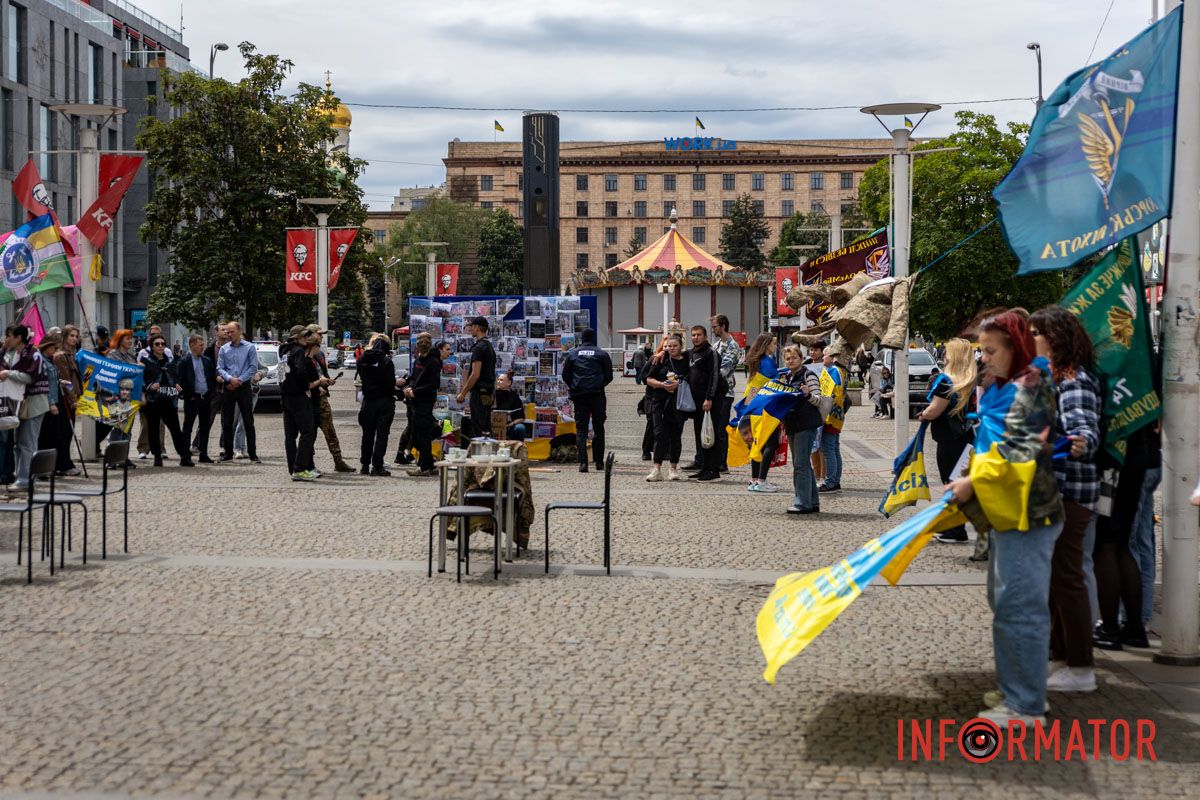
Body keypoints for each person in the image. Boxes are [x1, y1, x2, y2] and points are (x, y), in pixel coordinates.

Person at [947, 310, 1064, 723]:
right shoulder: (1001, 383)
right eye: (981, 350)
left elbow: (1019, 449)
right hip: (1006, 509)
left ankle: (1027, 704)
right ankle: (1014, 690)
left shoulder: (1032, 384)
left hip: (1028, 512)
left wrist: (971, 484)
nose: (984, 358)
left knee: (1021, 606)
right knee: (1004, 602)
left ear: (1016, 347)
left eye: (992, 350)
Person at [1027, 305, 1102, 692]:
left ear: (1053, 339)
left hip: (1072, 490)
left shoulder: (1073, 379)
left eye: (1035, 333)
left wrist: (1066, 443)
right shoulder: (1056, 376)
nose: (1030, 339)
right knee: (1057, 576)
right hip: (1059, 488)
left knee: (1068, 576)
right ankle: (1061, 658)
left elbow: (1085, 433)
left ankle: (1081, 666)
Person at [1093, 424, 1152, 651]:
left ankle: (1110, 628)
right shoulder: (1142, 386)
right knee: (1122, 544)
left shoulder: (1109, 387)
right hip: (1137, 455)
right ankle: (1135, 628)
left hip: (1112, 462)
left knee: (1106, 545)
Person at [918, 338, 977, 544]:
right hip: (966, 437)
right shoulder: (971, 379)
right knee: (957, 480)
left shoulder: (946, 381)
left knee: (949, 482)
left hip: (949, 439)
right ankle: (955, 526)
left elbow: (935, 410)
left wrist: (923, 414)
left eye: (947, 352)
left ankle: (955, 529)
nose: (944, 355)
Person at [779, 344, 825, 514]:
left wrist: (808, 394)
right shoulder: (788, 377)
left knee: (800, 465)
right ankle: (812, 501)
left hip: (805, 424)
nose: (791, 361)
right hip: (793, 424)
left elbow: (820, 399)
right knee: (804, 464)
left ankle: (802, 502)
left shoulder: (808, 375)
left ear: (800, 358)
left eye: (794, 358)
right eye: (788, 358)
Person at [561, 327, 613, 473]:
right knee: (599, 427)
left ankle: (583, 463)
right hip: (597, 395)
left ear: (582, 338)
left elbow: (566, 375)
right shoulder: (602, 354)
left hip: (580, 396)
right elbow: (609, 376)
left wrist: (575, 386)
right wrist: (599, 384)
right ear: (594, 338)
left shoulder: (573, 354)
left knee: (581, 429)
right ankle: (599, 463)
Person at [140, 334, 195, 467]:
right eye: (157, 344)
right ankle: (157, 457)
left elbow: (175, 377)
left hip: (168, 401)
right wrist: (149, 386)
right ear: (152, 346)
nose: (160, 346)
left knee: (175, 429)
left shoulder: (169, 362)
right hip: (153, 401)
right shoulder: (145, 361)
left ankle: (184, 456)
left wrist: (176, 384)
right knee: (153, 430)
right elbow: (140, 380)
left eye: (162, 344)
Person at [681, 325, 725, 482]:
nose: (695, 337)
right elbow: (674, 353)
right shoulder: (692, 353)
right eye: (693, 335)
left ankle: (713, 470)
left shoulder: (710, 352)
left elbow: (714, 377)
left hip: (710, 401)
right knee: (701, 435)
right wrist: (660, 352)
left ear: (705, 336)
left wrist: (709, 398)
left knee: (710, 434)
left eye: (699, 334)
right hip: (696, 402)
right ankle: (703, 467)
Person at [308, 325, 355, 473]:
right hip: (310, 399)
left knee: (330, 431)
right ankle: (309, 462)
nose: (321, 337)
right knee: (310, 433)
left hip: (322, 399)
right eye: (319, 334)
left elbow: (323, 373)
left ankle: (338, 461)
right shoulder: (304, 353)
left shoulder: (320, 354)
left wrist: (328, 381)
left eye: (322, 335)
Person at [278, 326, 322, 481]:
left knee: (290, 435)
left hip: (286, 396)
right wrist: (306, 388)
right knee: (307, 432)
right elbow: (300, 371)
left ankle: (293, 468)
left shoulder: (283, 351)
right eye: (303, 336)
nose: (306, 338)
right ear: (295, 338)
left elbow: (282, 372)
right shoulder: (298, 352)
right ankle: (300, 468)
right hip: (298, 397)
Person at [643, 333, 689, 481]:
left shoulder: (687, 361)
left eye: (675, 346)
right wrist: (662, 385)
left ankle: (673, 469)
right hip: (660, 402)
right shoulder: (660, 359)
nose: (672, 348)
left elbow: (690, 380)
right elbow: (648, 379)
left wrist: (679, 384)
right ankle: (656, 469)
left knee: (676, 436)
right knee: (659, 434)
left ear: (681, 346)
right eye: (669, 346)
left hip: (678, 403)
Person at [217, 321, 260, 463]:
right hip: (228, 388)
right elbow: (220, 368)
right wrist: (230, 379)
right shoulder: (224, 349)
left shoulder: (249, 347)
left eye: (231, 332)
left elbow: (253, 367)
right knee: (227, 422)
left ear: (239, 331)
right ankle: (228, 453)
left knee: (248, 421)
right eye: (227, 332)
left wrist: (239, 380)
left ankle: (253, 454)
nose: (229, 334)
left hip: (243, 387)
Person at [744, 333, 781, 492]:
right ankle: (761, 480)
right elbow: (776, 384)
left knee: (758, 444)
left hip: (755, 406)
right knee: (770, 444)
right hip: (768, 407)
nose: (775, 346)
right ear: (766, 345)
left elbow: (752, 388)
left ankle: (754, 479)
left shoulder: (756, 362)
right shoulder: (768, 363)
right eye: (773, 343)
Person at [357, 334, 398, 476]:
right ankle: (377, 465)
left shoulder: (362, 359)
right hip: (384, 401)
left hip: (368, 401)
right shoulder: (386, 361)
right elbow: (389, 384)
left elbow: (361, 377)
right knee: (382, 434)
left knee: (367, 435)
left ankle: (364, 465)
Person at [405, 335, 443, 477]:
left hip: (425, 401)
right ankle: (429, 464)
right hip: (415, 400)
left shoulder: (433, 362)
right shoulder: (418, 360)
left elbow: (434, 384)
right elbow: (414, 378)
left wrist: (415, 391)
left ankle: (424, 466)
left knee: (422, 435)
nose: (419, 347)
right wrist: (409, 387)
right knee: (417, 434)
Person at [709, 314, 742, 473]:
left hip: (724, 393)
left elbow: (724, 369)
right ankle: (711, 459)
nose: (713, 329)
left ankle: (722, 463)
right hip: (714, 391)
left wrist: (707, 376)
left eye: (715, 326)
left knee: (721, 429)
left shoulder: (732, 346)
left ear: (723, 326)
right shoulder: (716, 345)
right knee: (713, 427)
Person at [178, 333, 217, 463]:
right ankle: (185, 456)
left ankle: (203, 454)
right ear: (192, 345)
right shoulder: (184, 361)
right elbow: (181, 380)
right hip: (192, 399)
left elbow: (211, 378)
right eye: (200, 345)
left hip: (205, 398)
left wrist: (210, 394)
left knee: (205, 427)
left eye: (203, 345)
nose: (202, 347)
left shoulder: (206, 360)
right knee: (188, 427)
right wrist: (189, 395)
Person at [455, 316, 497, 440]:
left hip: (479, 393)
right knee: (485, 427)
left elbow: (475, 374)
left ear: (477, 328)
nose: (470, 329)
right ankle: (490, 454)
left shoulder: (479, 348)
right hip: (488, 392)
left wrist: (463, 393)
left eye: (472, 327)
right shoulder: (489, 346)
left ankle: (483, 455)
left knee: (479, 428)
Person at [817, 347, 847, 493]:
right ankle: (835, 480)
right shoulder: (838, 371)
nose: (823, 358)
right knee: (834, 448)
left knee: (829, 449)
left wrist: (823, 412)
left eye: (825, 356)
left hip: (830, 416)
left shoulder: (833, 372)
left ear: (832, 358)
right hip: (836, 417)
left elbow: (831, 395)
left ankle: (830, 482)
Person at [35, 332, 66, 476]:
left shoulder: (50, 360)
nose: (55, 351)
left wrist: (60, 382)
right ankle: (41, 469)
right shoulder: (40, 360)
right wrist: (51, 403)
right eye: (54, 348)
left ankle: (49, 467)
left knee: (54, 436)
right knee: (44, 437)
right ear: (47, 346)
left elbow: (52, 380)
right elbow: (42, 384)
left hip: (55, 401)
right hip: (47, 404)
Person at [493, 371, 528, 441]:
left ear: (509, 383)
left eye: (501, 380)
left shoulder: (514, 397)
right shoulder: (493, 394)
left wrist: (510, 425)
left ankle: (517, 448)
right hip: (493, 425)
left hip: (509, 426)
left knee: (520, 428)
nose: (498, 381)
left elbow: (521, 418)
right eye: (498, 379)